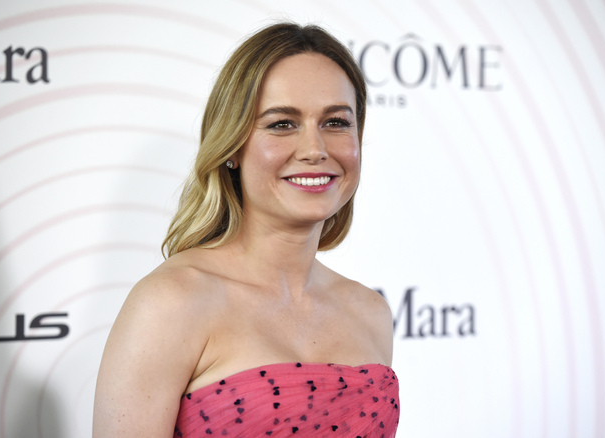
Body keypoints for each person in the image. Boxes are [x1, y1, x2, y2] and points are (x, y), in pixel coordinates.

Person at [93, 22, 399, 437]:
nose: (315, 149)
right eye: (281, 124)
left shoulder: (370, 312)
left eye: (336, 122)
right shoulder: (172, 301)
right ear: (232, 145)